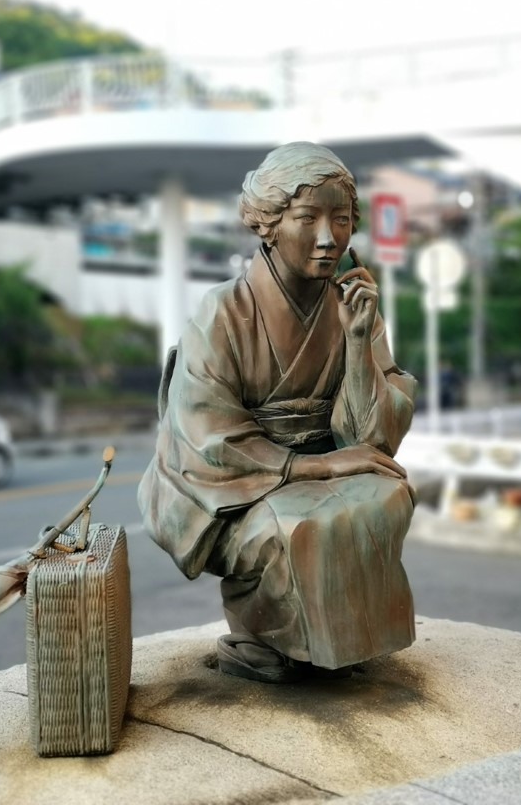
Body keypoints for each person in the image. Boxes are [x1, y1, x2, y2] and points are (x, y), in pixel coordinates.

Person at [138, 142, 417, 683]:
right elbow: (208, 432)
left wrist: (359, 342)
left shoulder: (352, 304)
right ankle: (264, 640)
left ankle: (342, 641)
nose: (328, 237)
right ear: (268, 224)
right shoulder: (225, 311)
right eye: (307, 218)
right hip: (240, 482)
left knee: (387, 494)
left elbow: (370, 439)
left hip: (323, 461)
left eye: (341, 220)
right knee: (298, 524)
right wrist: (312, 467)